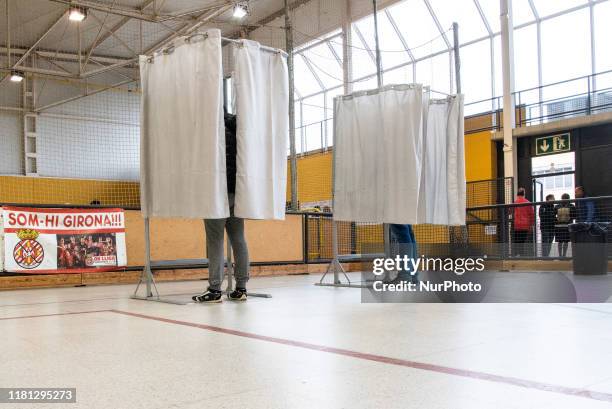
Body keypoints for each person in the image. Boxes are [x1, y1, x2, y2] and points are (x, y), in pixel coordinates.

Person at [193, 110, 249, 303]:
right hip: (236, 190)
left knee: (215, 240)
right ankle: (241, 288)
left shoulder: (210, 130)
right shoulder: (237, 129)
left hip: (216, 191)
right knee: (238, 238)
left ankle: (215, 289)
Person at [511, 188, 534, 256]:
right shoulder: (528, 203)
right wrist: (531, 225)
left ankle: (517, 255)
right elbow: (532, 215)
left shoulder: (515, 202)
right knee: (522, 241)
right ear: (524, 194)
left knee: (517, 241)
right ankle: (521, 254)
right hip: (525, 225)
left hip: (517, 225)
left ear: (517, 194)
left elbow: (509, 211)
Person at [555, 193, 576, 257]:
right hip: (567, 226)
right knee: (565, 241)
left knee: (560, 241)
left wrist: (557, 220)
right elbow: (574, 216)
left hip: (559, 226)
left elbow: (553, 216)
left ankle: (561, 255)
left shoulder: (557, 206)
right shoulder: (571, 206)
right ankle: (563, 255)